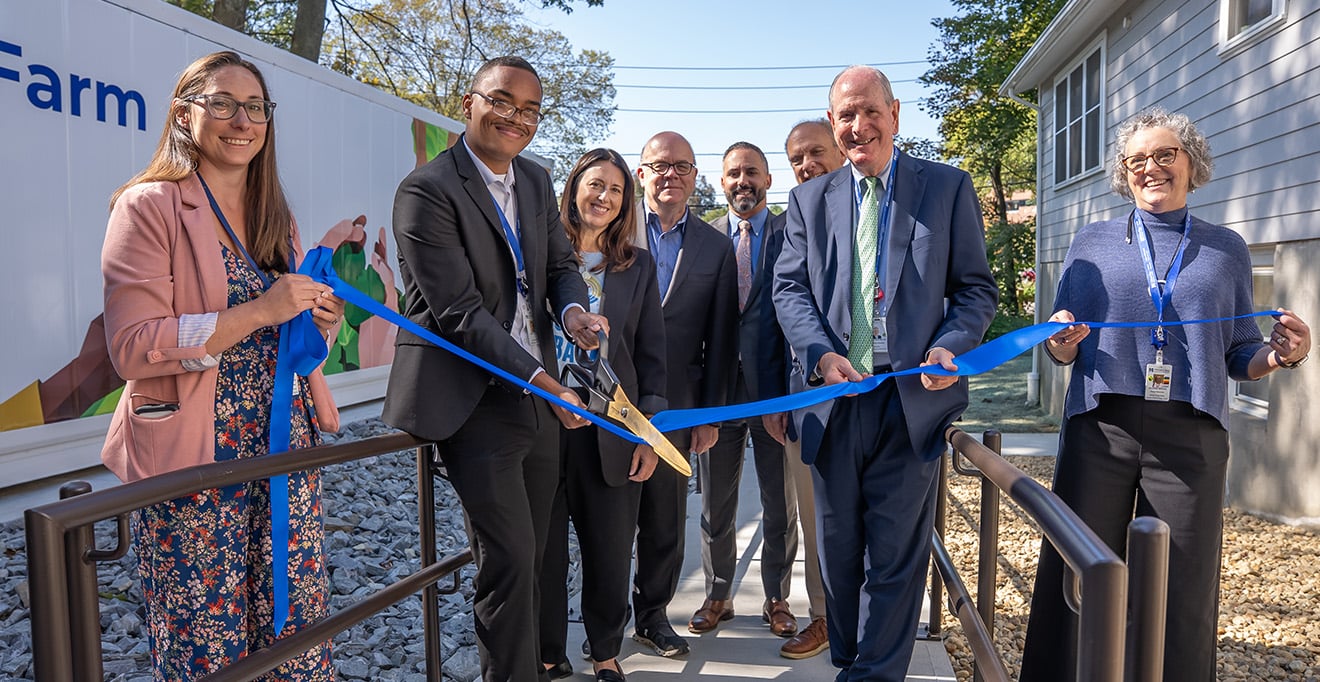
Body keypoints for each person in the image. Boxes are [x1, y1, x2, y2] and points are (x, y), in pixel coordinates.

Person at [1019, 108, 1312, 682]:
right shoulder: (1090, 243)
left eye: (1164, 155)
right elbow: (1061, 349)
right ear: (1123, 174)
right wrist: (1062, 342)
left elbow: (1238, 355)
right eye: (1136, 160)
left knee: (1183, 587)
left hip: (1190, 435)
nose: (1150, 168)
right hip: (1100, 426)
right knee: (1076, 572)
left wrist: (1283, 355)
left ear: (1191, 163)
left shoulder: (1225, 249)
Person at [100, 50, 344, 680]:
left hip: (282, 446)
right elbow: (132, 346)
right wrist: (263, 310)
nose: (243, 120)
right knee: (206, 637)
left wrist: (314, 321)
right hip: (197, 455)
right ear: (185, 115)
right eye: (224, 103)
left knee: (296, 626)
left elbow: (286, 335)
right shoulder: (147, 206)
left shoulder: (276, 214)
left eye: (256, 107)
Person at [381, 56, 608, 682]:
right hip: (473, 395)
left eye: (531, 110)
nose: (517, 118)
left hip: (535, 394)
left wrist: (573, 313)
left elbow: (560, 265)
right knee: (507, 556)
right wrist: (543, 379)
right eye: (503, 102)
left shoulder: (535, 182)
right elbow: (458, 313)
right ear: (468, 102)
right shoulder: (427, 189)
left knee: (535, 555)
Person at [772, 65, 997, 681]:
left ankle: (872, 675)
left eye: (870, 111)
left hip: (912, 402)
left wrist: (951, 346)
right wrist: (819, 353)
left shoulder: (946, 189)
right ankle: (851, 661)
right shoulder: (808, 200)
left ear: (896, 115)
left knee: (896, 558)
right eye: (845, 115)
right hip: (834, 404)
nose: (858, 125)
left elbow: (976, 291)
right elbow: (788, 289)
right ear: (832, 123)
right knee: (838, 556)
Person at [536, 148, 668, 682]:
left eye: (615, 190)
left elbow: (653, 357)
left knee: (611, 548)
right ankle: (548, 652)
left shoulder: (637, 267)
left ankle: (606, 650)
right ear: (573, 189)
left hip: (614, 427)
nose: (604, 198)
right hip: (544, 422)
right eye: (595, 185)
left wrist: (649, 435)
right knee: (543, 548)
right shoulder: (540, 255)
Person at [629, 131, 739, 658]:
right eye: (659, 165)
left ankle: (652, 617)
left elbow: (721, 337)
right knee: (606, 520)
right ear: (640, 174)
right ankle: (605, 628)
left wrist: (710, 413)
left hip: (678, 405)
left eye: (682, 166)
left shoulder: (716, 247)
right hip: (610, 398)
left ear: (696, 177)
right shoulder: (611, 230)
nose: (670, 174)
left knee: (665, 522)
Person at [691, 142, 800, 644]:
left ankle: (777, 597)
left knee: (780, 504)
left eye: (751, 172)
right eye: (733, 173)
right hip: (719, 393)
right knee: (716, 504)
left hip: (774, 392)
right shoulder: (708, 239)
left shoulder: (790, 233)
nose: (742, 182)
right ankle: (718, 593)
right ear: (721, 180)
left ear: (768, 180)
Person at [768, 117, 849, 661]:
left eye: (815, 152)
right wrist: (780, 400)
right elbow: (770, 324)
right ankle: (823, 617)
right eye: (796, 158)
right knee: (815, 516)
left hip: (880, 394)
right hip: (807, 400)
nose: (806, 165)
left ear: (841, 150)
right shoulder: (785, 225)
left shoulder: (875, 212)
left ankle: (870, 621)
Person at [785, 118, 847, 185]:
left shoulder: (858, 192)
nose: (806, 165)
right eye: (797, 160)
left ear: (841, 153)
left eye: (816, 152)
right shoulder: (795, 195)